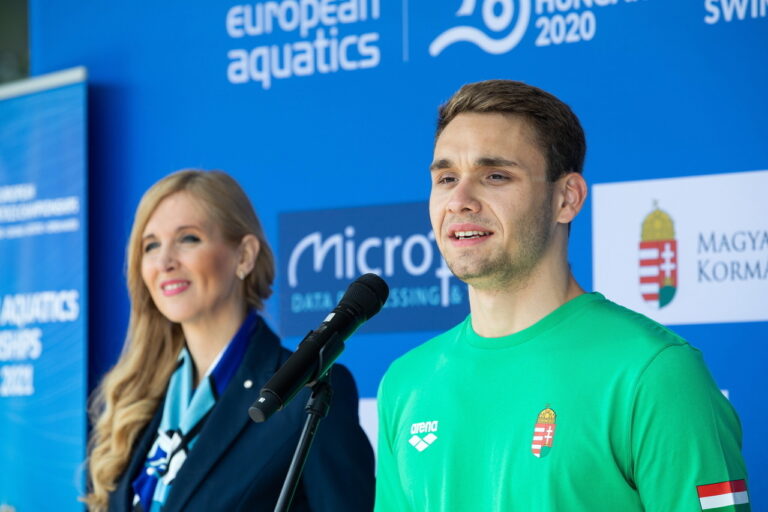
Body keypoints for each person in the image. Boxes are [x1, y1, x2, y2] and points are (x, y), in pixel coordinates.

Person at [374, 81, 750, 511]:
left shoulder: (654, 373)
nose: (459, 201)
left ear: (567, 199)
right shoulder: (407, 382)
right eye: (446, 178)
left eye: (495, 176)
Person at [84, 170, 375, 512]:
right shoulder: (136, 399)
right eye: (151, 245)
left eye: (188, 239)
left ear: (244, 256)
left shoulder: (307, 393)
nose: (164, 261)